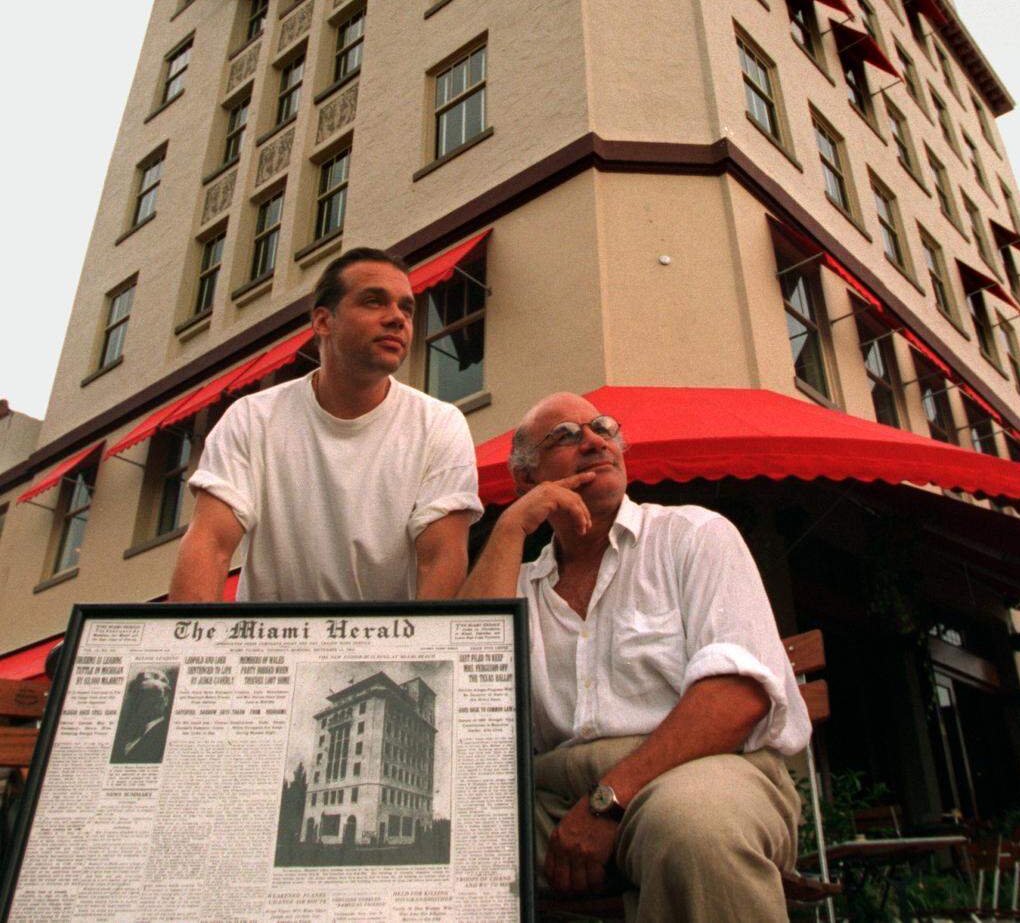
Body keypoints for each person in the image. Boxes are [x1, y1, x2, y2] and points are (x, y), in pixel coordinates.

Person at [461, 392, 810, 923]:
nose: (595, 441)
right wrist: (510, 527)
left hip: (700, 768)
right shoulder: (519, 586)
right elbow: (462, 681)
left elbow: (735, 697)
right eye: (566, 436)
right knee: (429, 841)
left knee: (694, 830)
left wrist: (609, 800)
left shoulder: (693, 535)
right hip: (551, 791)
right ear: (528, 481)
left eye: (603, 429)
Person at [169, 247, 482, 603]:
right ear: (322, 322)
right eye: (373, 302)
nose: (398, 318)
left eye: (406, 308)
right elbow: (210, 544)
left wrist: (420, 656)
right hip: (266, 650)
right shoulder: (252, 419)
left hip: (387, 651)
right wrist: (191, 653)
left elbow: (441, 558)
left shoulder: (440, 425)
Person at [110, 668, 176, 765]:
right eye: (140, 696)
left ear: (165, 699)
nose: (144, 702)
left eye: (151, 694)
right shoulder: (128, 734)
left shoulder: (165, 734)